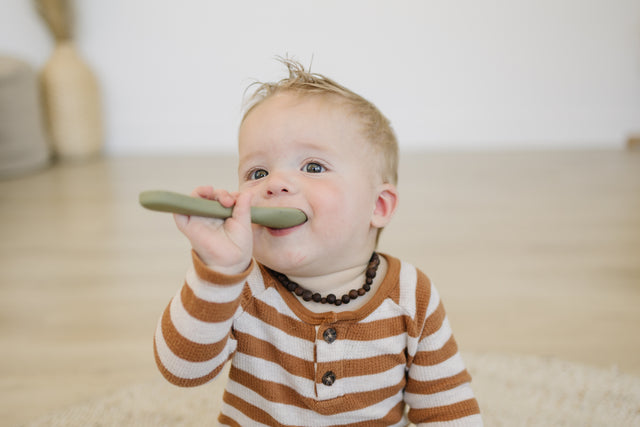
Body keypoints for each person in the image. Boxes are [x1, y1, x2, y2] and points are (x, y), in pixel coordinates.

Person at [154, 58, 482, 426]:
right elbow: (181, 369)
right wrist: (218, 270)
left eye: (312, 167)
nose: (275, 183)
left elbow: (448, 409)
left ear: (378, 205)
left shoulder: (412, 296)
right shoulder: (242, 287)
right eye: (257, 172)